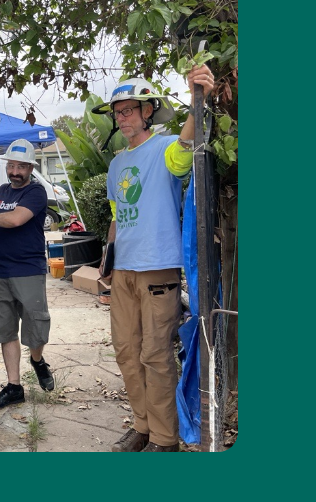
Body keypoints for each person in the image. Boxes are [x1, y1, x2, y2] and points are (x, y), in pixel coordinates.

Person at [91, 67, 215, 452]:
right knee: (127, 352)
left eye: (129, 110)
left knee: (156, 355)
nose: (123, 117)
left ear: (148, 112)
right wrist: (106, 259)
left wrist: (199, 97)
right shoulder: (115, 165)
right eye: (119, 112)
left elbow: (182, 159)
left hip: (158, 267)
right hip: (124, 269)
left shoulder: (164, 148)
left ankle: (165, 439)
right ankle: (142, 427)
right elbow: (116, 216)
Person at [0, 139, 57, 408]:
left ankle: (37, 360)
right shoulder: (4, 190)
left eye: (21, 166)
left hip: (28, 269)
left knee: (35, 326)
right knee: (5, 330)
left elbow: (14, 219)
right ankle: (14, 386)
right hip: (1, 270)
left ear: (31, 167)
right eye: (12, 166)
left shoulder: (36, 192)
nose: (15, 171)